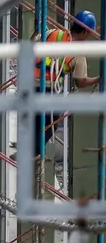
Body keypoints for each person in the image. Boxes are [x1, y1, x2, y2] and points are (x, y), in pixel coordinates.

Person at [33, 11, 101, 157]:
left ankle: (30, 151)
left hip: (30, 85)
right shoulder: (78, 53)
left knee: (34, 123)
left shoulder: (53, 33)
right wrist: (98, 79)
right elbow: (81, 82)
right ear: (84, 32)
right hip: (49, 91)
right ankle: (34, 154)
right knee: (51, 124)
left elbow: (34, 42)